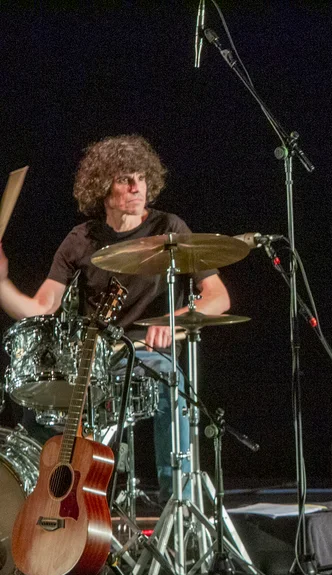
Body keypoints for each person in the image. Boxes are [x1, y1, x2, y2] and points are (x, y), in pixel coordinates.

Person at [0, 134, 230, 504]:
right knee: (36, 401)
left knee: (170, 379)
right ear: (103, 189)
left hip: (145, 355)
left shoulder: (169, 229)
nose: (137, 187)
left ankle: (179, 504)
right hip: (92, 358)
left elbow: (218, 297)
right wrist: (2, 283)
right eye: (125, 179)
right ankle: (35, 505)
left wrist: (171, 322)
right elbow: (41, 308)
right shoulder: (82, 238)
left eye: (141, 178)